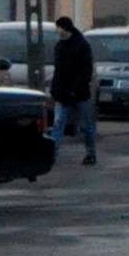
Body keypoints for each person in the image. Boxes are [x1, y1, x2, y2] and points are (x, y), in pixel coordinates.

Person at [47, 15, 98, 166]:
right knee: (58, 124)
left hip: (80, 93)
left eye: (59, 28)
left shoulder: (81, 45)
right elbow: (58, 70)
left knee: (86, 125)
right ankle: (52, 154)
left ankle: (91, 153)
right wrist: (55, 90)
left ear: (66, 29)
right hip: (62, 93)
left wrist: (78, 87)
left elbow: (86, 70)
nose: (58, 31)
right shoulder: (59, 46)